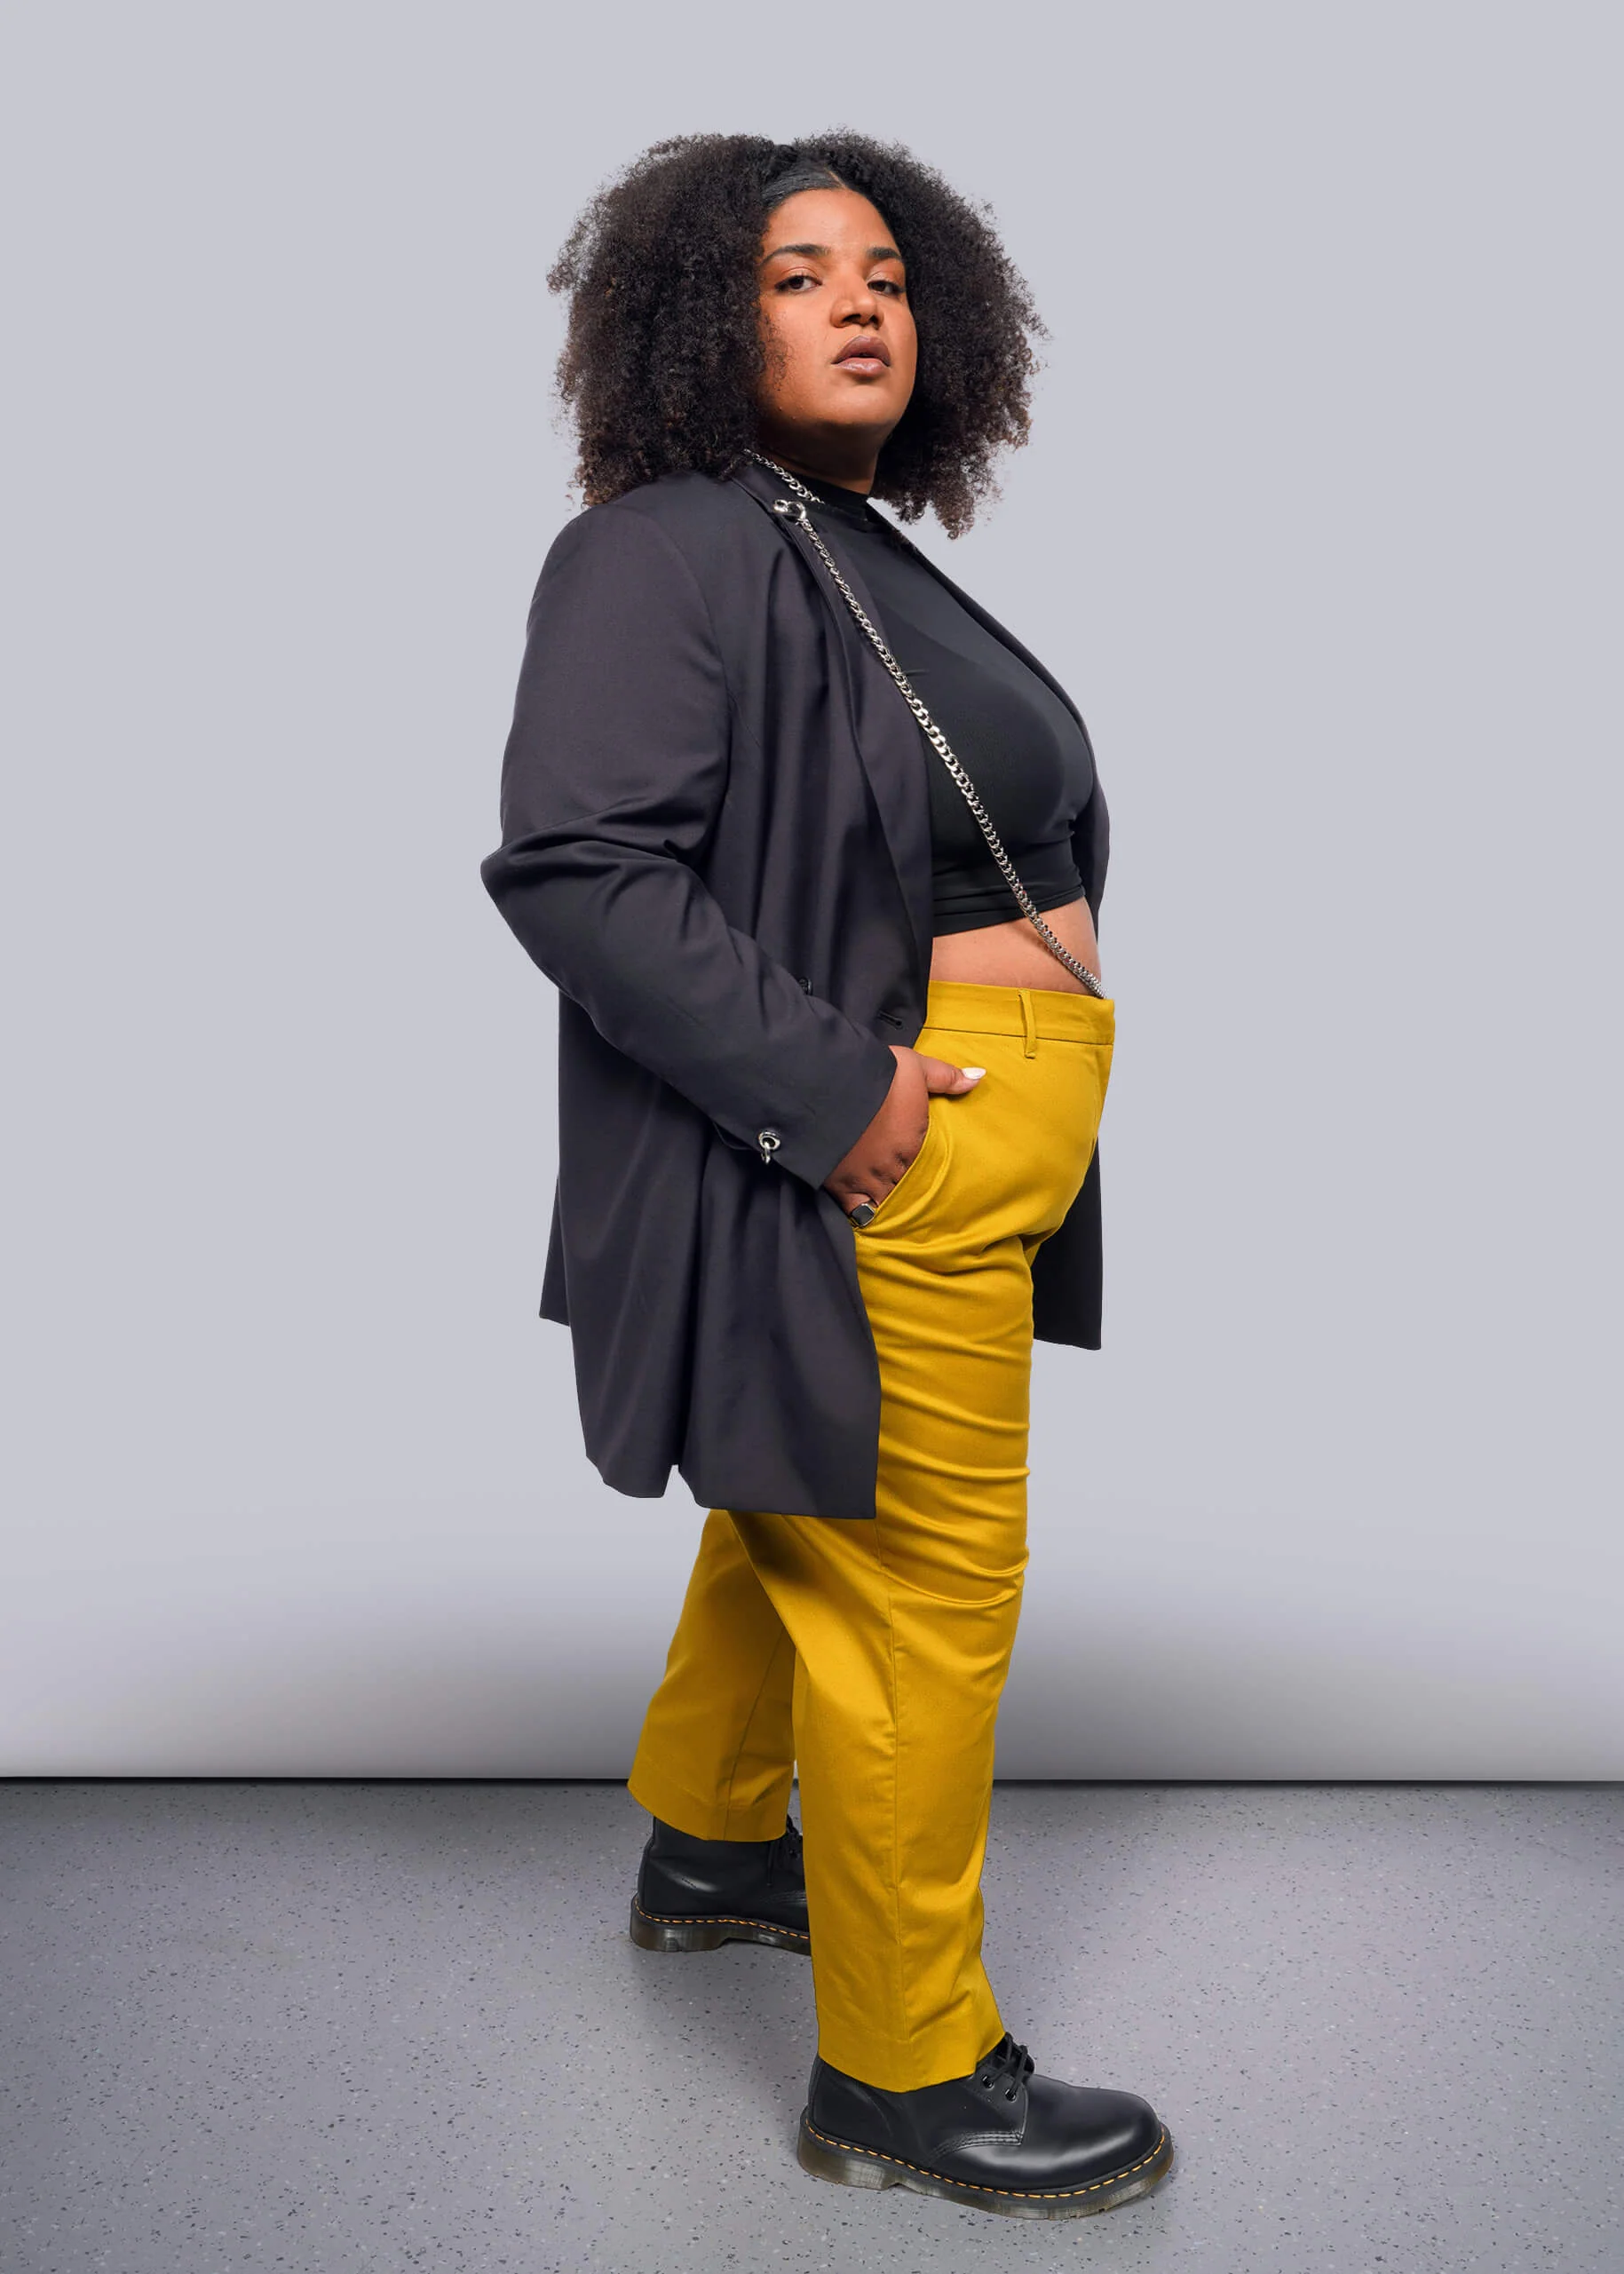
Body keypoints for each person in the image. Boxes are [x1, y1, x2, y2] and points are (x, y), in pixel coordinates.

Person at [480, 131, 1173, 2222]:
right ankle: (904, 2064)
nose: (857, 300)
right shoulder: (661, 547)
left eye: (880, 270)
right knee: (920, 1597)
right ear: (706, 315)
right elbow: (580, 866)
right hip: (884, 1149)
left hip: (972, 1134)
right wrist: (843, 1096)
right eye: (796, 274)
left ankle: (711, 1842)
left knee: (798, 1497)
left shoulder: (840, 538)